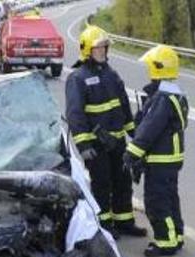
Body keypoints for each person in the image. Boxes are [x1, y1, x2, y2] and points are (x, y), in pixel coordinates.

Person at [65, 25, 146, 238]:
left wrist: (135, 135)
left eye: (104, 47)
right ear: (87, 50)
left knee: (123, 183)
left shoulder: (111, 74)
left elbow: (123, 107)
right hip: (96, 145)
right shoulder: (78, 78)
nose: (102, 51)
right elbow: (75, 115)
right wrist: (84, 146)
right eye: (98, 47)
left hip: (117, 142)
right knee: (102, 185)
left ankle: (124, 221)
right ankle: (104, 226)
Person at [123, 45, 189, 257]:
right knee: (170, 199)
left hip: (160, 160)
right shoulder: (175, 95)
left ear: (157, 68)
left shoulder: (162, 99)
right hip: (170, 159)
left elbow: (149, 130)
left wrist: (131, 153)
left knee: (156, 201)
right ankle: (176, 236)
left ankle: (165, 242)